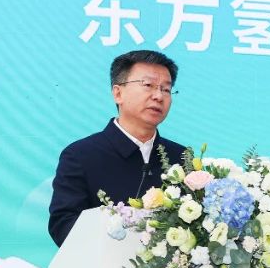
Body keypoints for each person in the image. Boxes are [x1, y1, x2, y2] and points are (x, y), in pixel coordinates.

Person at [48, 50, 189, 247]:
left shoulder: (182, 158)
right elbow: (63, 226)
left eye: (166, 89)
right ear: (118, 93)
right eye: (148, 85)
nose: (158, 96)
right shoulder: (80, 156)